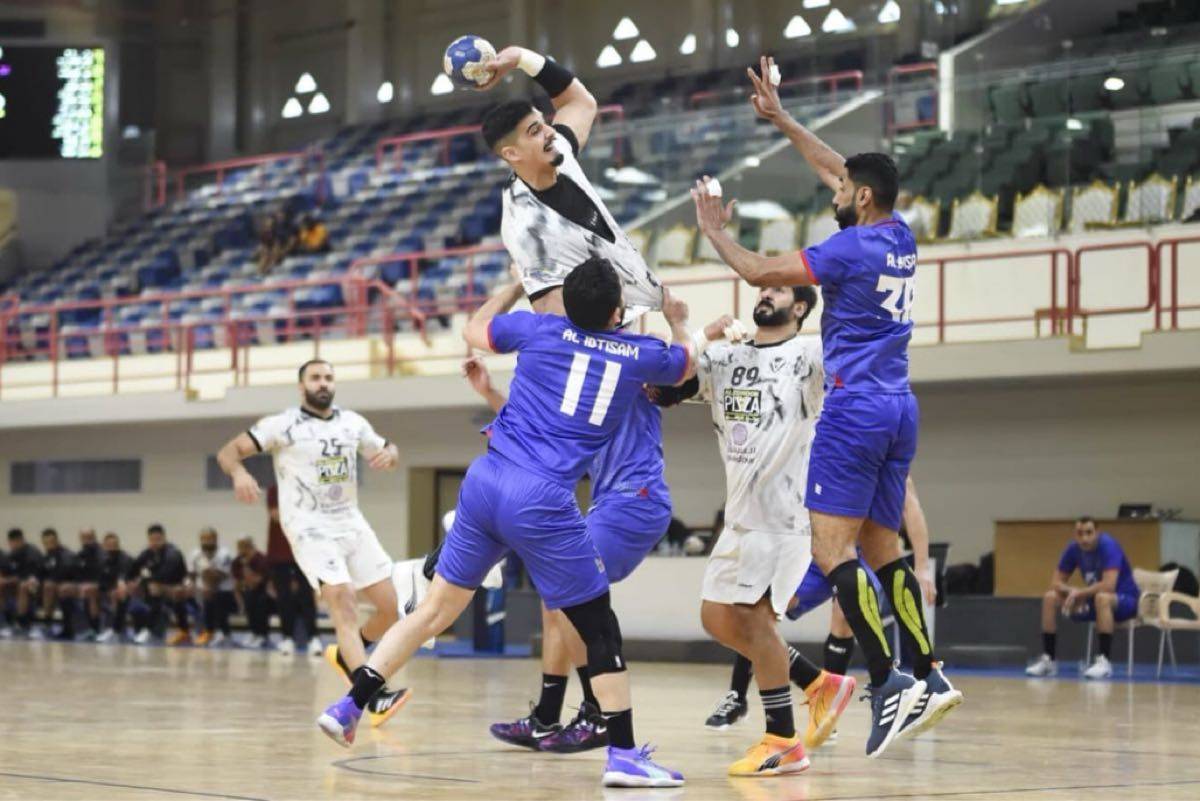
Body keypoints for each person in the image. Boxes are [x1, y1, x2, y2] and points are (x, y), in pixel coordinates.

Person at [317, 258, 696, 788]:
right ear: (617, 311)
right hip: (542, 499)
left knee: (433, 612)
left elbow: (473, 329)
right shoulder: (638, 355)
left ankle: (349, 705)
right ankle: (625, 756)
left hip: (485, 481)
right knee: (598, 626)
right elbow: (686, 362)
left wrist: (516, 284)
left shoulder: (539, 329)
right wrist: (678, 319)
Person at [691, 55, 961, 759]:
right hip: (899, 405)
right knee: (881, 548)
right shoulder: (898, 234)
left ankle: (888, 681)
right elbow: (840, 166)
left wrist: (714, 231)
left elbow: (757, 270)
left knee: (831, 550)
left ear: (862, 198)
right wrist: (783, 119)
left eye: (843, 188)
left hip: (855, 410)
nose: (833, 188)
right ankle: (929, 672)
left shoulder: (848, 249)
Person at [463, 333, 722, 755]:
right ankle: (547, 717)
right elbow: (533, 432)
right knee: (555, 600)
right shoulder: (589, 393)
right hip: (611, 503)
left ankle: (598, 711)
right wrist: (490, 391)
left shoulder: (633, 376)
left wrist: (696, 330)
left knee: (572, 596)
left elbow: (681, 359)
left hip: (636, 500)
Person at [652, 284, 850, 775]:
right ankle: (817, 682)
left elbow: (855, 368)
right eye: (762, 287)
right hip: (740, 517)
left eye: (778, 289)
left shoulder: (812, 354)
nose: (765, 292)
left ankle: (783, 740)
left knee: (753, 616)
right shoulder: (726, 357)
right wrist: (684, 325)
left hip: (783, 515)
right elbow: (666, 382)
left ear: (799, 307)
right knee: (716, 618)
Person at [215, 358, 410, 727]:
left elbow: (389, 450)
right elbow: (228, 452)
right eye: (315, 378)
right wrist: (239, 473)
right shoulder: (281, 424)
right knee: (344, 600)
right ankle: (370, 695)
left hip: (352, 523)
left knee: (393, 608)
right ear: (301, 387)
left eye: (328, 377)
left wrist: (391, 455)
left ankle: (348, 656)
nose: (323, 383)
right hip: (309, 528)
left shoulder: (353, 422)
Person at [709, 475, 937, 736]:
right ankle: (737, 696)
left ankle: (827, 711)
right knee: (758, 612)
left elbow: (911, 506)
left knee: (845, 616)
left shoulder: (885, 462)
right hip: (818, 548)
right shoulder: (818, 456)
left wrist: (922, 567)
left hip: (864, 553)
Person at [476, 41, 662, 320]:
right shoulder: (526, 230)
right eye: (535, 131)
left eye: (544, 123)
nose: (550, 132)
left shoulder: (557, 153)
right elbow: (553, 316)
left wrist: (522, 58)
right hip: (614, 333)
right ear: (512, 154)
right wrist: (621, 340)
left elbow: (579, 102)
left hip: (642, 309)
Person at [1026, 516, 1141, 680]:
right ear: (1075, 534)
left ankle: (1104, 662)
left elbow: (1108, 586)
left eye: (1089, 533)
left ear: (1097, 532)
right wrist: (1071, 591)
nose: (1084, 538)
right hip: (1093, 600)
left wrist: (1080, 593)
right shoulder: (1073, 548)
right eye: (1080, 533)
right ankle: (1049, 660)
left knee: (1102, 597)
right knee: (1050, 597)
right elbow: (1056, 582)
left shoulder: (1109, 545)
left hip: (1125, 601)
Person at [266, 484, 321, 657]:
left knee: (307, 597)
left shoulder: (307, 486)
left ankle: (313, 638)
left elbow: (315, 515)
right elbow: (275, 515)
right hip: (280, 553)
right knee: (284, 598)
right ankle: (287, 638)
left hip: (304, 552)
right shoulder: (275, 489)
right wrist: (301, 512)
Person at [126, 524, 189, 645]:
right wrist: (130, 583)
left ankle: (152, 630)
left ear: (164, 538)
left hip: (175, 587)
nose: (155, 543)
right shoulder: (147, 553)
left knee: (156, 588)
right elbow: (132, 571)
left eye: (158, 539)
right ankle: (134, 630)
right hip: (155, 589)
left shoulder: (173, 553)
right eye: (152, 540)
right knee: (133, 590)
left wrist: (144, 581)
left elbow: (164, 576)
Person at [189, 527, 236, 647]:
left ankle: (222, 633)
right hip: (202, 588)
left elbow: (220, 576)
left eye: (209, 538)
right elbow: (192, 574)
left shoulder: (224, 554)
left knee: (215, 597)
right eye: (203, 538)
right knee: (183, 594)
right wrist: (192, 588)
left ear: (215, 539)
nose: (206, 541)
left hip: (223, 589)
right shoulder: (195, 554)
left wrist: (206, 569)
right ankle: (200, 631)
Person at [37, 528, 80, 640]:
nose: (49, 545)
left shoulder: (66, 555)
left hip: (70, 585)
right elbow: (40, 574)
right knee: (39, 586)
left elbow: (67, 574)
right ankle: (21, 625)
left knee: (50, 586)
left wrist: (50, 581)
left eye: (51, 542)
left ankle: (47, 624)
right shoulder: (46, 557)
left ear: (57, 540)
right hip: (52, 587)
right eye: (46, 543)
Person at [231, 536, 271, 647]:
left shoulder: (261, 559)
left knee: (258, 599)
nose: (242, 550)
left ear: (252, 547)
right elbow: (237, 586)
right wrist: (240, 604)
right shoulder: (236, 562)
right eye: (240, 547)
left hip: (265, 593)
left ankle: (262, 634)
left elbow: (254, 582)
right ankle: (254, 632)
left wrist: (246, 565)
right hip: (248, 592)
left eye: (246, 547)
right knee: (248, 598)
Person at [95, 533, 134, 642]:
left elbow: (124, 576)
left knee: (119, 593)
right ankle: (92, 629)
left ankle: (115, 631)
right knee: (90, 593)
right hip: (106, 589)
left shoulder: (125, 559)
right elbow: (100, 580)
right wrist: (108, 590)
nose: (112, 548)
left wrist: (119, 585)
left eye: (115, 545)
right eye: (109, 545)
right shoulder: (101, 560)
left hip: (125, 590)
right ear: (104, 545)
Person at [6, 528, 43, 637]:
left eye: (13, 542)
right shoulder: (13, 555)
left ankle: (21, 622)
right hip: (19, 584)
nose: (11, 545)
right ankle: (4, 621)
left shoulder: (32, 552)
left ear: (20, 540)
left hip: (37, 585)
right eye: (10, 542)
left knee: (23, 585)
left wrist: (13, 579)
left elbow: (32, 576)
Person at [71, 528, 104, 638]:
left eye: (89, 537)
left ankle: (94, 628)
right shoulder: (81, 554)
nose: (86, 540)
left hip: (100, 585)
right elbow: (75, 572)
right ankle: (72, 628)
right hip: (83, 585)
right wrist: (78, 584)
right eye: (84, 538)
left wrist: (91, 584)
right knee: (65, 590)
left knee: (89, 591)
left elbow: (102, 572)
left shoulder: (101, 553)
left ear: (94, 537)